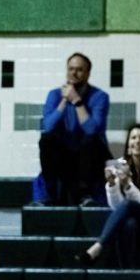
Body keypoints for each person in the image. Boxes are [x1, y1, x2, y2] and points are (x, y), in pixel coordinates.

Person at [75, 123, 140, 268]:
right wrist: (112, 185)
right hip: (133, 217)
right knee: (128, 224)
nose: (137, 141)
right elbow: (117, 207)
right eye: (133, 138)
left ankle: (98, 246)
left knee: (128, 206)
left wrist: (127, 185)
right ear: (128, 143)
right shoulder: (122, 164)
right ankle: (128, 272)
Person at [37, 52, 111, 206]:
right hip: (66, 155)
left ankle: (85, 193)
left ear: (87, 73)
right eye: (70, 69)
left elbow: (92, 130)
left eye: (79, 70)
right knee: (47, 140)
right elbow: (47, 127)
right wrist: (65, 100)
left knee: (90, 140)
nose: (74, 73)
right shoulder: (54, 95)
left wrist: (77, 101)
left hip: (91, 155)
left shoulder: (100, 97)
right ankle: (50, 192)